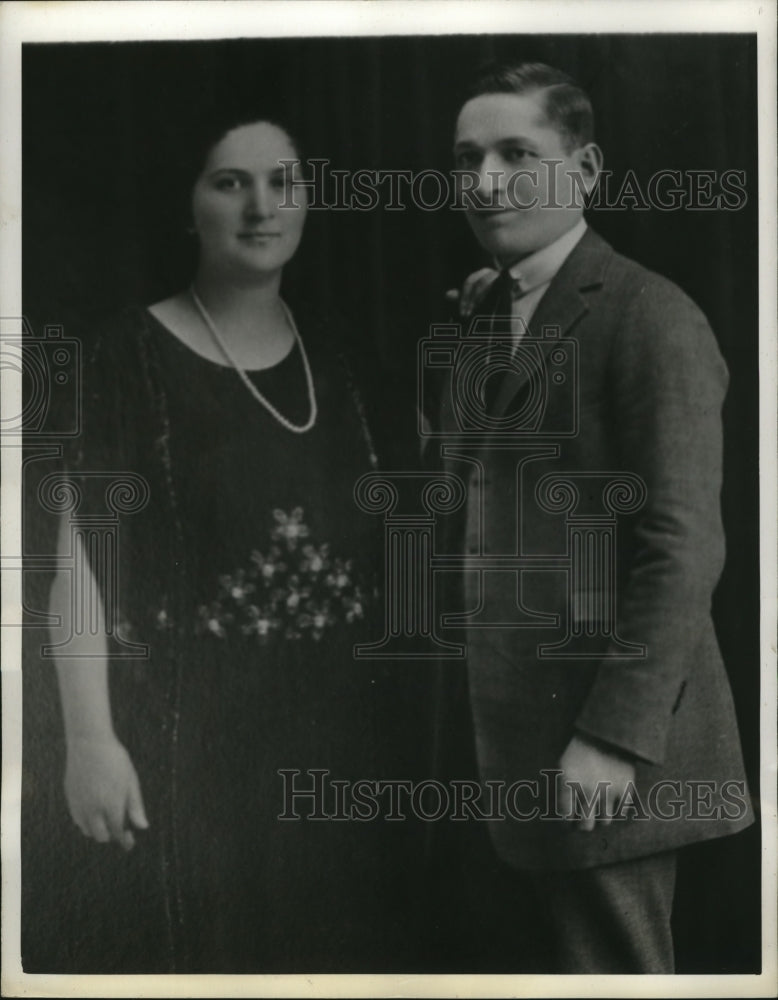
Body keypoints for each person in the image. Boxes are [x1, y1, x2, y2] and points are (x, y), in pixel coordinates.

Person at [43, 110, 425, 973]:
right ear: (189, 206)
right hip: (199, 750)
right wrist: (89, 740)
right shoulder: (124, 356)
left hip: (353, 746)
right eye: (230, 181)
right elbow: (79, 563)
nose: (262, 206)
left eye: (282, 181)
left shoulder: (347, 353)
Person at [427, 62, 754, 974]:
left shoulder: (651, 316)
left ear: (587, 171)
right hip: (503, 746)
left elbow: (682, 548)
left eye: (516, 154)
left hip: (605, 755)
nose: (484, 182)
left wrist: (613, 739)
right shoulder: (484, 313)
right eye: (466, 159)